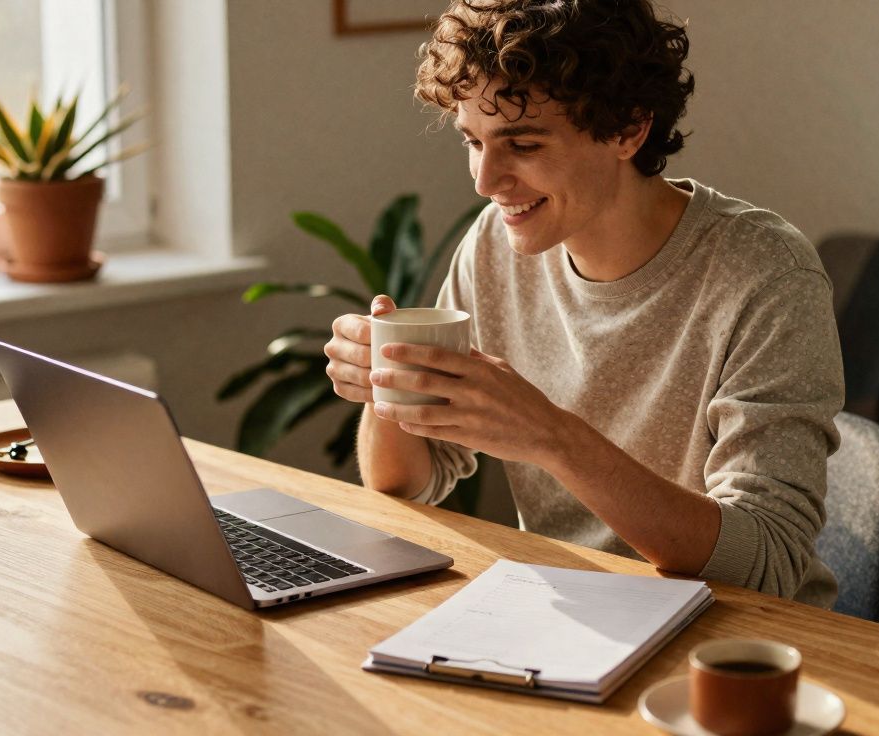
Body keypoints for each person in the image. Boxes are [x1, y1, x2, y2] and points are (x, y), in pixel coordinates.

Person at [324, 0, 844, 606]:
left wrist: (552, 438)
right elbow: (408, 483)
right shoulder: (496, 241)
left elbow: (765, 562)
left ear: (628, 129)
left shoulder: (765, 274)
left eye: (522, 143)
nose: (485, 182)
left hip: (736, 642)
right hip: (566, 614)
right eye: (473, 141)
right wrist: (387, 385)